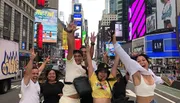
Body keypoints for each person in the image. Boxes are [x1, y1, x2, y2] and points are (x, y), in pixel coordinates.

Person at [111, 33, 173, 103]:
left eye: (143, 60)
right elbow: (125, 58)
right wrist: (115, 43)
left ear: (147, 62)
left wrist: (166, 80)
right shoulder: (136, 74)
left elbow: (157, 79)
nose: (142, 62)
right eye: (138, 61)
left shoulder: (150, 72)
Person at [59, 22, 86, 103]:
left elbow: (89, 55)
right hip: (67, 100)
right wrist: (70, 33)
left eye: (79, 56)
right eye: (75, 56)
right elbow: (71, 47)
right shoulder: (70, 62)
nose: (77, 57)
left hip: (78, 100)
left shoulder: (84, 66)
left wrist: (91, 45)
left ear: (82, 57)